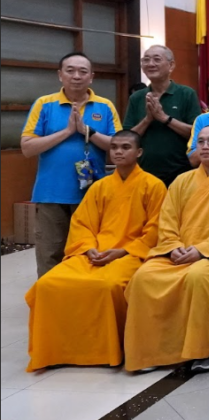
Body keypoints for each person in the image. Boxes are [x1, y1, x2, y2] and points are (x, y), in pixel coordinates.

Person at [25, 130, 165, 371]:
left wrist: (123, 251)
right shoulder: (100, 187)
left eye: (125, 147)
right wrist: (88, 249)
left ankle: (104, 351)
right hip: (94, 253)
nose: (118, 152)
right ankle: (55, 350)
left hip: (131, 255)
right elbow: (82, 224)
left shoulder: (154, 186)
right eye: (115, 147)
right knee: (48, 284)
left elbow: (156, 229)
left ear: (139, 152)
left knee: (108, 285)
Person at [123, 125, 209, 373]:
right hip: (177, 253)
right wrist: (173, 246)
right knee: (144, 277)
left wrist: (202, 250)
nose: (205, 146)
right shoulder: (181, 181)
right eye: (200, 142)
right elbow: (167, 220)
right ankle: (152, 352)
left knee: (199, 277)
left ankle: (204, 350)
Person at [21, 52, 121, 278]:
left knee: (91, 252)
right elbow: (27, 147)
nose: (76, 76)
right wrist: (67, 131)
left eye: (83, 71)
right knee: (50, 253)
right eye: (70, 70)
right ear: (60, 75)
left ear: (91, 77)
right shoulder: (44, 104)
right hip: (51, 194)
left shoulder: (104, 106)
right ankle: (50, 297)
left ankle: (83, 296)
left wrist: (87, 131)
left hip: (92, 194)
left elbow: (118, 147)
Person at [124, 45, 202, 186]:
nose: (150, 64)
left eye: (157, 59)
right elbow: (126, 139)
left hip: (181, 174)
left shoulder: (187, 94)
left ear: (171, 65)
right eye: (146, 60)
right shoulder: (136, 97)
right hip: (144, 174)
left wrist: (165, 118)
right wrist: (147, 120)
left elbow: (197, 134)